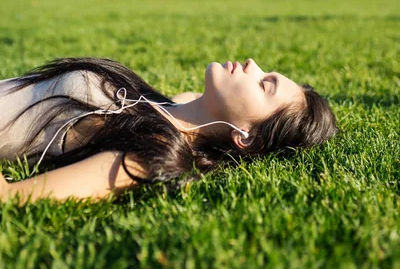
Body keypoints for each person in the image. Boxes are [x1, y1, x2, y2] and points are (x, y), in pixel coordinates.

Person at [0, 57, 337, 203]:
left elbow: (13, 197)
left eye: (265, 85)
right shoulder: (163, 107)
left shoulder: (153, 153)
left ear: (246, 137)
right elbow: (187, 100)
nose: (252, 64)